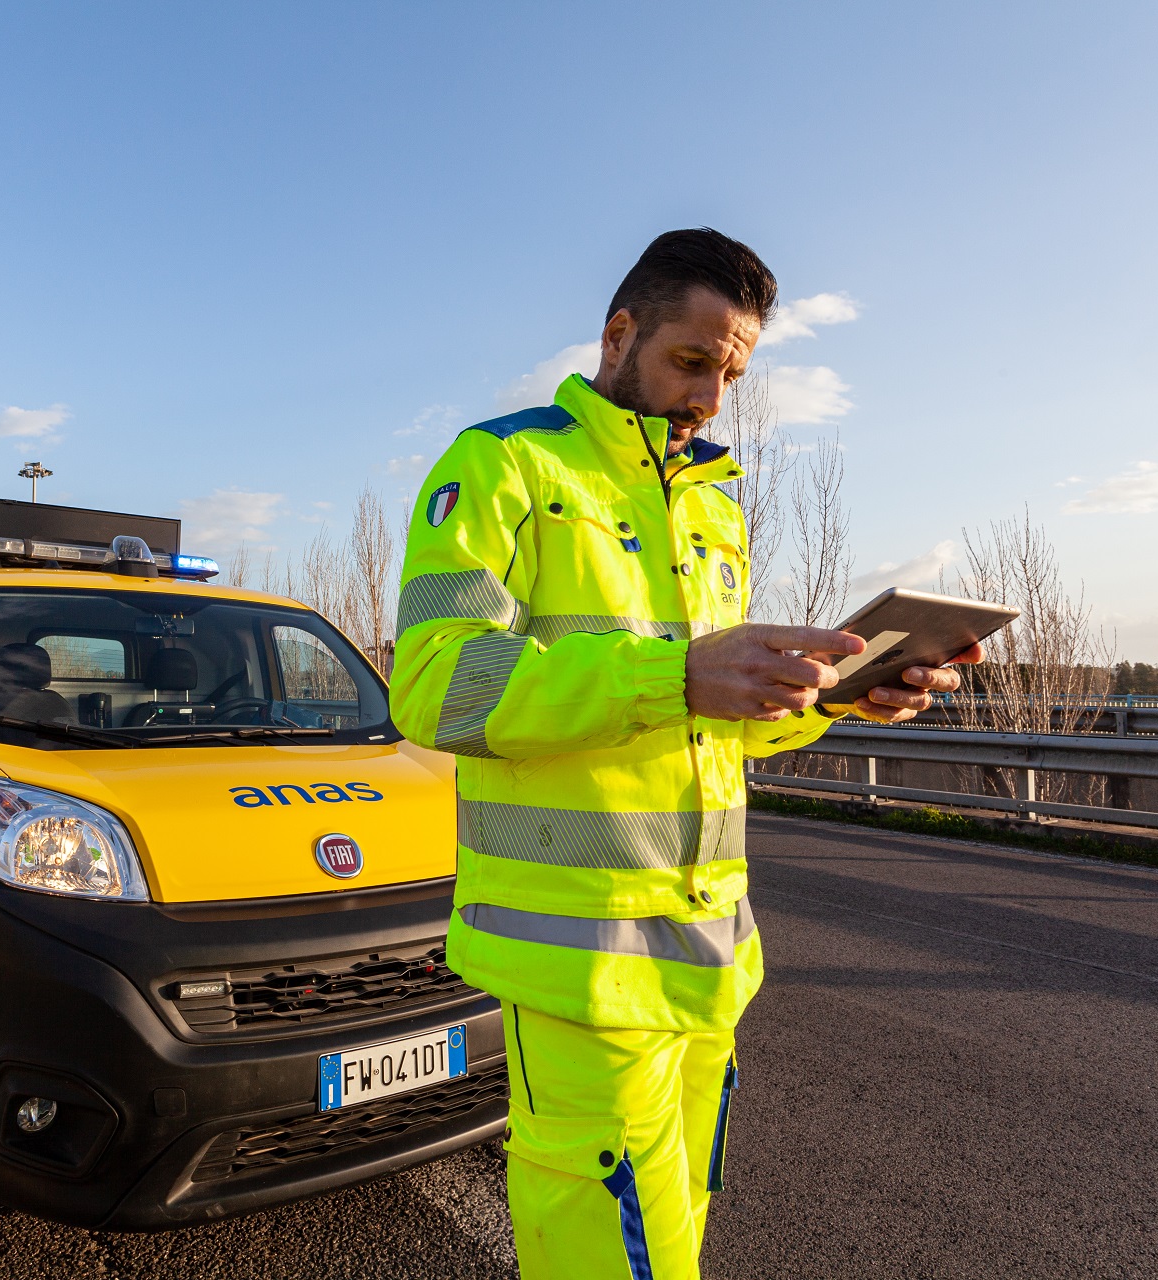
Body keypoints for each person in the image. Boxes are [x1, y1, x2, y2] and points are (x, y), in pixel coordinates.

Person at [389, 227, 980, 1280]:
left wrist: (837, 699)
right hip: (577, 965)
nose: (712, 395)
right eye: (692, 361)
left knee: (678, 1233)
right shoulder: (502, 463)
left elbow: (715, 718)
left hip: (711, 957)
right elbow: (435, 683)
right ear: (621, 333)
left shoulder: (714, 501)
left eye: (734, 373)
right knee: (606, 1255)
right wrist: (675, 671)